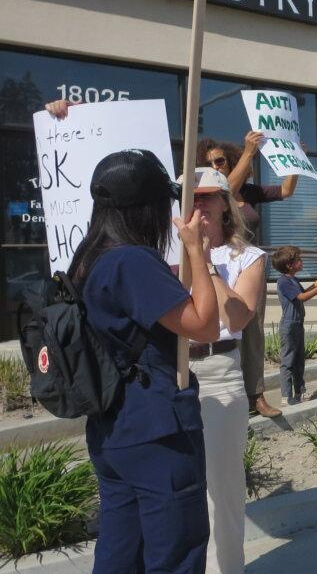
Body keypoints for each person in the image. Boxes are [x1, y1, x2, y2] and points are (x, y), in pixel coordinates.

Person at [63, 148, 220, 574]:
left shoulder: (88, 257)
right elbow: (204, 324)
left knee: (120, 552)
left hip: (113, 428)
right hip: (157, 428)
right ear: (146, 208)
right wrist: (197, 253)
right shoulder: (132, 260)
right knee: (175, 553)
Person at [183, 166, 266, 573]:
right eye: (191, 197)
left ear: (224, 206)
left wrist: (206, 263)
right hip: (174, 369)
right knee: (179, 487)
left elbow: (237, 320)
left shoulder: (246, 258)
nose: (199, 204)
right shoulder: (167, 251)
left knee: (223, 489)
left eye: (207, 197)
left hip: (218, 368)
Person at [197, 133, 298, 418]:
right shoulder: (217, 194)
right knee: (224, 328)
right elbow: (225, 190)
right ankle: (233, 390)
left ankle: (256, 394)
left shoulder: (249, 192)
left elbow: (286, 191)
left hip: (247, 267)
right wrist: (250, 152)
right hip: (215, 262)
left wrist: (293, 161)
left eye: (220, 161)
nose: (217, 166)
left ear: (230, 161)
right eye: (210, 163)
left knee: (252, 333)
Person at [272, 246, 317, 405]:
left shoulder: (293, 280)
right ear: (289, 265)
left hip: (297, 324)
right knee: (288, 361)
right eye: (299, 260)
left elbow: (307, 290)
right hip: (289, 326)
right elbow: (302, 297)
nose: (302, 262)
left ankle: (300, 392)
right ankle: (286, 396)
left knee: (299, 360)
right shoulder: (283, 281)